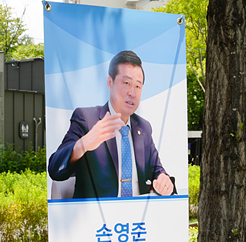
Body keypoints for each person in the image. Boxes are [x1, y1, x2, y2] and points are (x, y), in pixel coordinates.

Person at [48, 50, 174, 200]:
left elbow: (157, 171)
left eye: (138, 86)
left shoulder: (143, 127)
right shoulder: (87, 119)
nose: (132, 93)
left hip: (138, 218)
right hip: (99, 219)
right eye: (126, 83)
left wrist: (164, 181)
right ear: (110, 82)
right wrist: (83, 144)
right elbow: (55, 169)